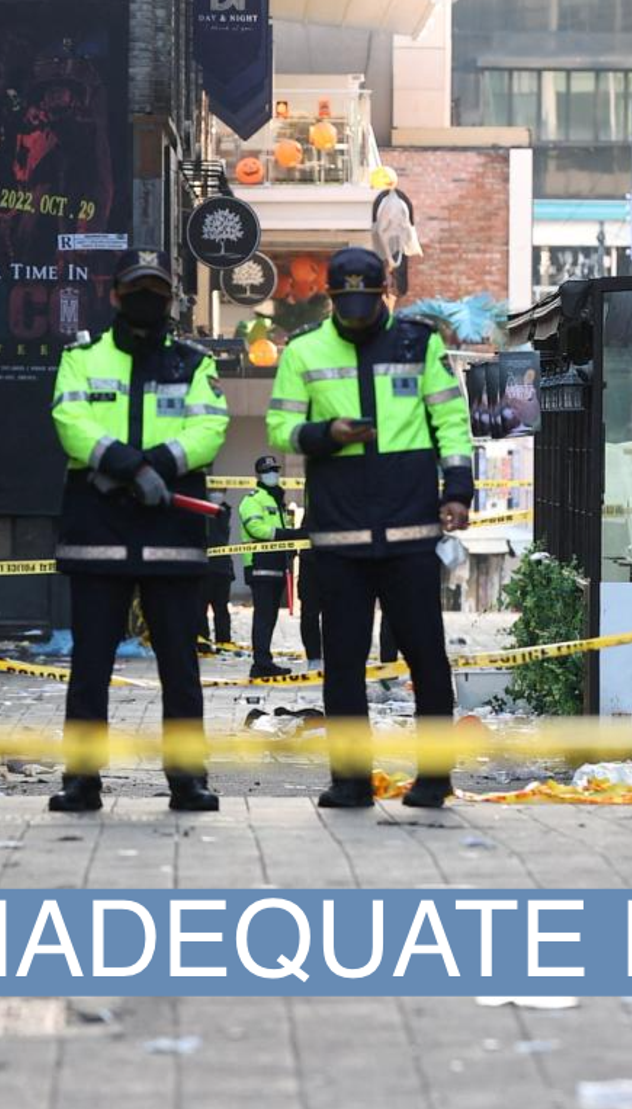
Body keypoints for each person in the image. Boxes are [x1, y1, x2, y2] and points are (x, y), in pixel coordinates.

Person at [266, 247, 474, 809]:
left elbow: (451, 421)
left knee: (427, 656)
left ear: (384, 293)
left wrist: (457, 491)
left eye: (367, 299)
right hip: (340, 534)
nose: (356, 311)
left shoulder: (418, 343)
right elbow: (280, 427)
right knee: (344, 663)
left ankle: (435, 777)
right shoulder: (305, 351)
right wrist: (325, 434)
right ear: (330, 298)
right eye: (345, 300)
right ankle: (350, 779)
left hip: (408, 529)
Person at [48, 250, 230, 813]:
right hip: (98, 528)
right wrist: (129, 466)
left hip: (169, 531)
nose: (148, 300)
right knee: (91, 666)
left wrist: (158, 465)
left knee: (180, 663)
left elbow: (211, 426)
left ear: (170, 299)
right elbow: (68, 420)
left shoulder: (193, 363)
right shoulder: (81, 358)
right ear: (115, 296)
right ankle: (81, 780)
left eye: (158, 290)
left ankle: (187, 779)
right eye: (138, 289)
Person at [238, 456, 293, 680]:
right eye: (268, 471)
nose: (273, 474)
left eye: (275, 470)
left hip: (277, 563)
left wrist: (291, 540)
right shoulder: (253, 499)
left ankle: (265, 661)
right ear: (259, 475)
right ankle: (260, 663)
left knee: (269, 617)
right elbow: (255, 528)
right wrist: (285, 535)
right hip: (260, 563)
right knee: (263, 616)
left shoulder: (277, 499)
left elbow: (284, 526)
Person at [196, 490, 234, 650]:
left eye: (221, 491)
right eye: (214, 491)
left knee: (221, 609)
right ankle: (203, 643)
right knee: (200, 608)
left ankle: (223, 643)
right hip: (204, 568)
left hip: (221, 568)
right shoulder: (200, 510)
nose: (217, 494)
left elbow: (219, 530)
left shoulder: (224, 512)